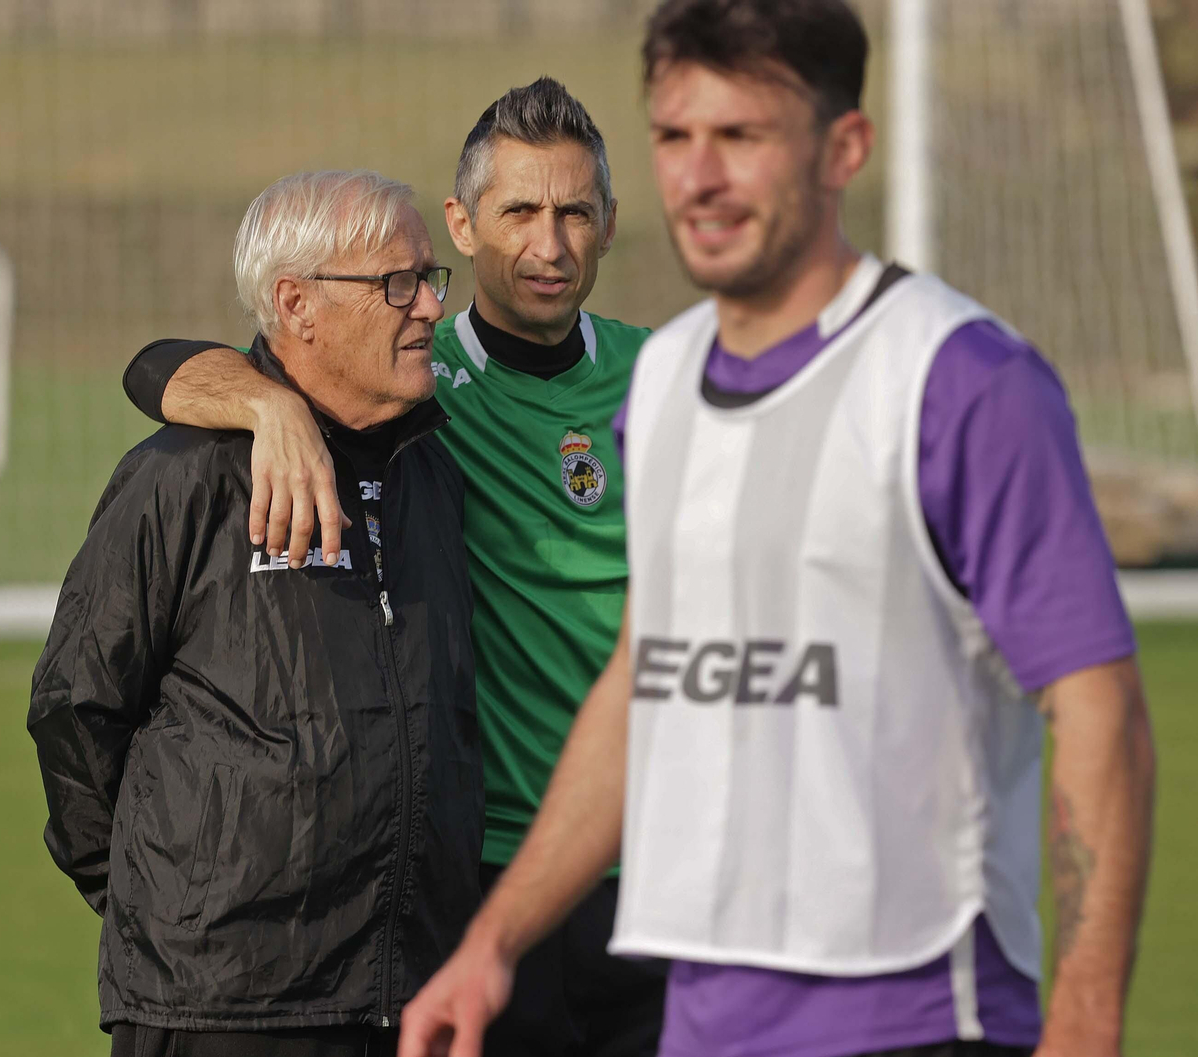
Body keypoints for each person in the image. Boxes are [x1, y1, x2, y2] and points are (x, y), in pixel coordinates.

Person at [398, 3, 1157, 1057]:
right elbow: (644, 680)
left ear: (842, 149)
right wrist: (495, 939)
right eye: (674, 137)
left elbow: (1099, 712)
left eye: (741, 138)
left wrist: (1081, 1019)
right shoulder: (664, 387)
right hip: (708, 1003)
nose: (698, 178)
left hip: (919, 1011)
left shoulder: (962, 381)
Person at [122, 79, 669, 1057]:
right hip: (491, 883)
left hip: (671, 869)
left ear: (612, 223)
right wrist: (269, 406)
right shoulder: (419, 391)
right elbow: (161, 366)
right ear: (460, 222)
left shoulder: (673, 377)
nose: (548, 247)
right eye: (519, 214)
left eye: (575, 213)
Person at [28, 169, 483, 1057]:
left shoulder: (433, 473)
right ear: (297, 303)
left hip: (410, 996)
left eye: (431, 278)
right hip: (222, 1009)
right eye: (398, 282)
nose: (430, 305)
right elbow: (75, 710)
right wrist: (169, 897)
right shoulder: (183, 476)